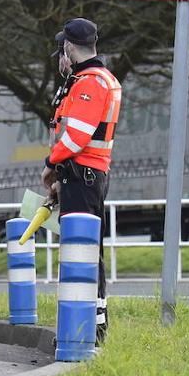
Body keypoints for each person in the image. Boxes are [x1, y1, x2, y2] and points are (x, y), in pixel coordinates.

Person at [41, 17, 122, 341]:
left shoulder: (90, 83)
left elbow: (77, 136)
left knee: (82, 252)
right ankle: (93, 322)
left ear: (69, 47)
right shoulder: (103, 80)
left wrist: (50, 164)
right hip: (85, 174)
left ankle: (90, 329)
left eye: (63, 48)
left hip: (83, 175)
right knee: (87, 250)